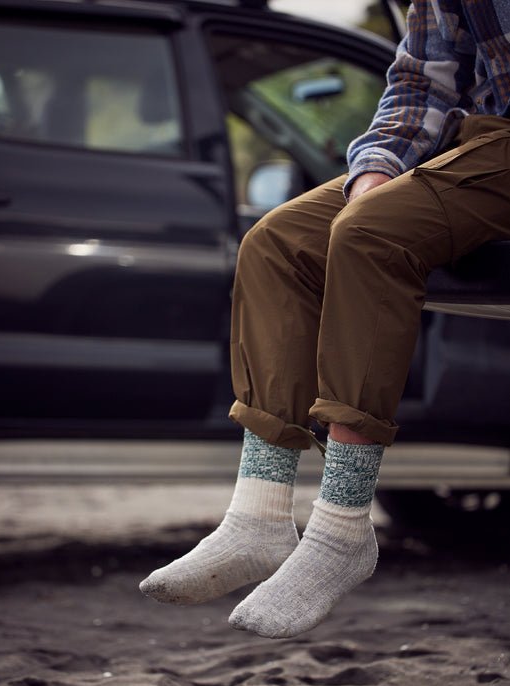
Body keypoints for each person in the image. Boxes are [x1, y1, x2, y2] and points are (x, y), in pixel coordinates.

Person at [140, 0, 510, 638]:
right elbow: (422, 77)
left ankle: (342, 528)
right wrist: (376, 169)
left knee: (370, 235)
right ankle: (259, 516)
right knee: (275, 242)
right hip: (474, 143)